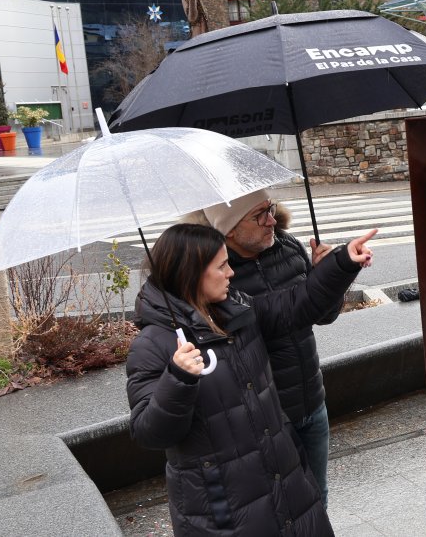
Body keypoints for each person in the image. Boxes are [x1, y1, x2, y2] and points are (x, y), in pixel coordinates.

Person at [125, 222, 373, 535]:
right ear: (192, 272)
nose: (231, 273)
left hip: (283, 481)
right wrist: (177, 378)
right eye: (222, 265)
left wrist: (342, 263)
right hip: (226, 509)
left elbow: (295, 306)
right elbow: (150, 432)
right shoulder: (153, 346)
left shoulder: (236, 308)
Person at [189, 189, 353, 508]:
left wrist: (326, 281)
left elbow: (325, 315)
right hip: (264, 420)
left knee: (317, 498)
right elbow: (271, 317)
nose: (272, 220)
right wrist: (333, 275)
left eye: (271, 209)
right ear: (229, 228)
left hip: (311, 403)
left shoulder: (288, 246)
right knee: (278, 511)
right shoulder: (214, 275)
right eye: (259, 215)